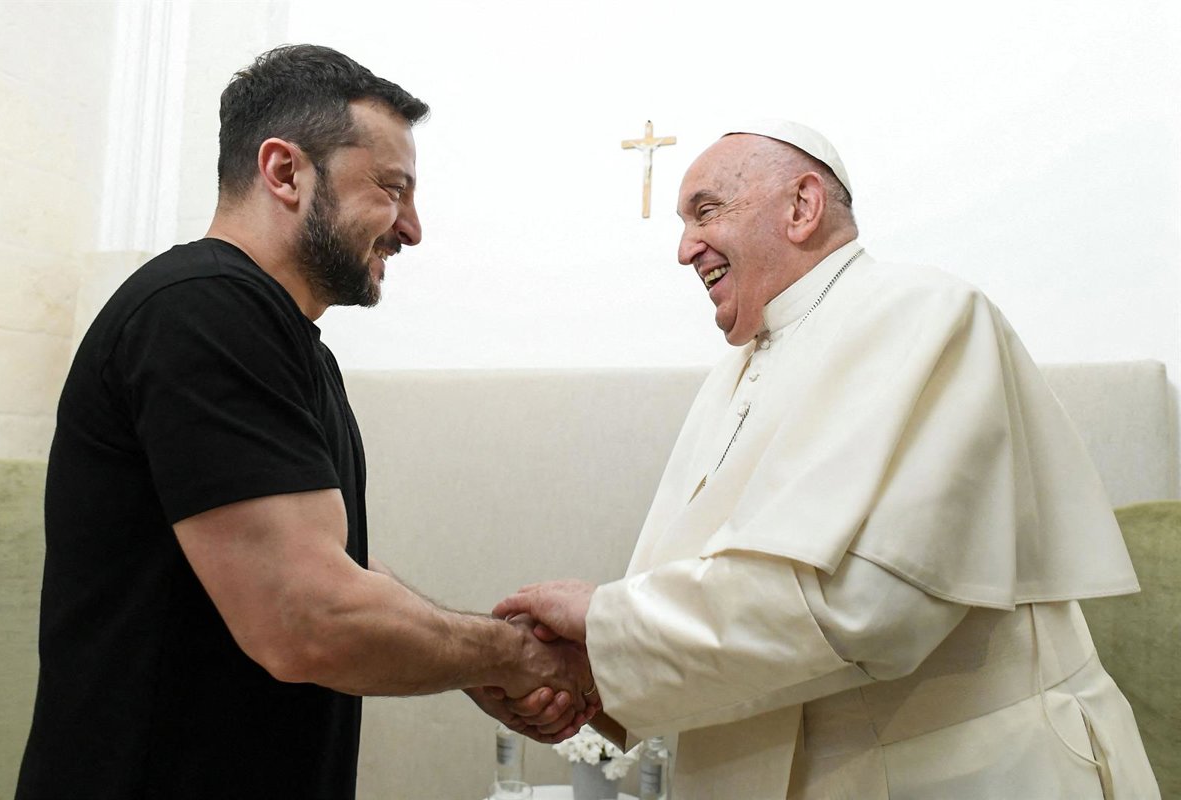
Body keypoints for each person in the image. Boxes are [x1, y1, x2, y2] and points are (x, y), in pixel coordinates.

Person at [495, 120, 1161, 798]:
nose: (684, 248)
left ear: (802, 206)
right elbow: (705, 600)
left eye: (706, 211)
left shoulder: (925, 313)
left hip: (962, 773)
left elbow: (868, 610)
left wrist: (603, 630)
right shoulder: (731, 377)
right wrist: (594, 674)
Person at [16, 44, 592, 800]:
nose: (412, 228)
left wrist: (472, 660)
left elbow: (333, 566)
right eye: (391, 188)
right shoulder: (200, 311)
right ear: (285, 171)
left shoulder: (288, 344)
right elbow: (310, 616)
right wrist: (511, 657)